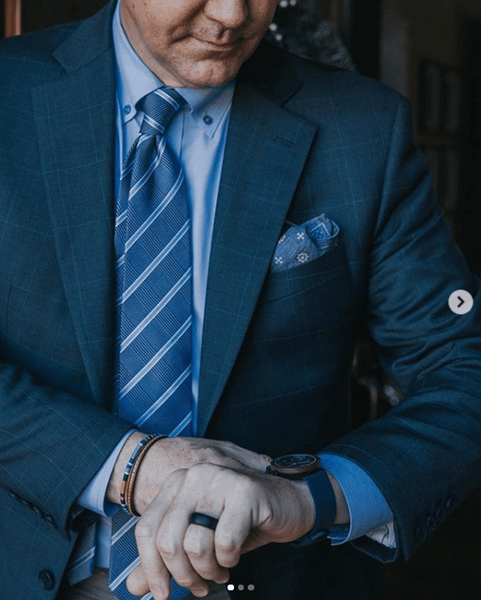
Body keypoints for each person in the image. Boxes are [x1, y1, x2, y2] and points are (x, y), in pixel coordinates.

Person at [1, 1, 480, 599]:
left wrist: (309, 497)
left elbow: (462, 369)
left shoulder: (364, 129)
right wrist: (133, 466)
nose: (231, 15)